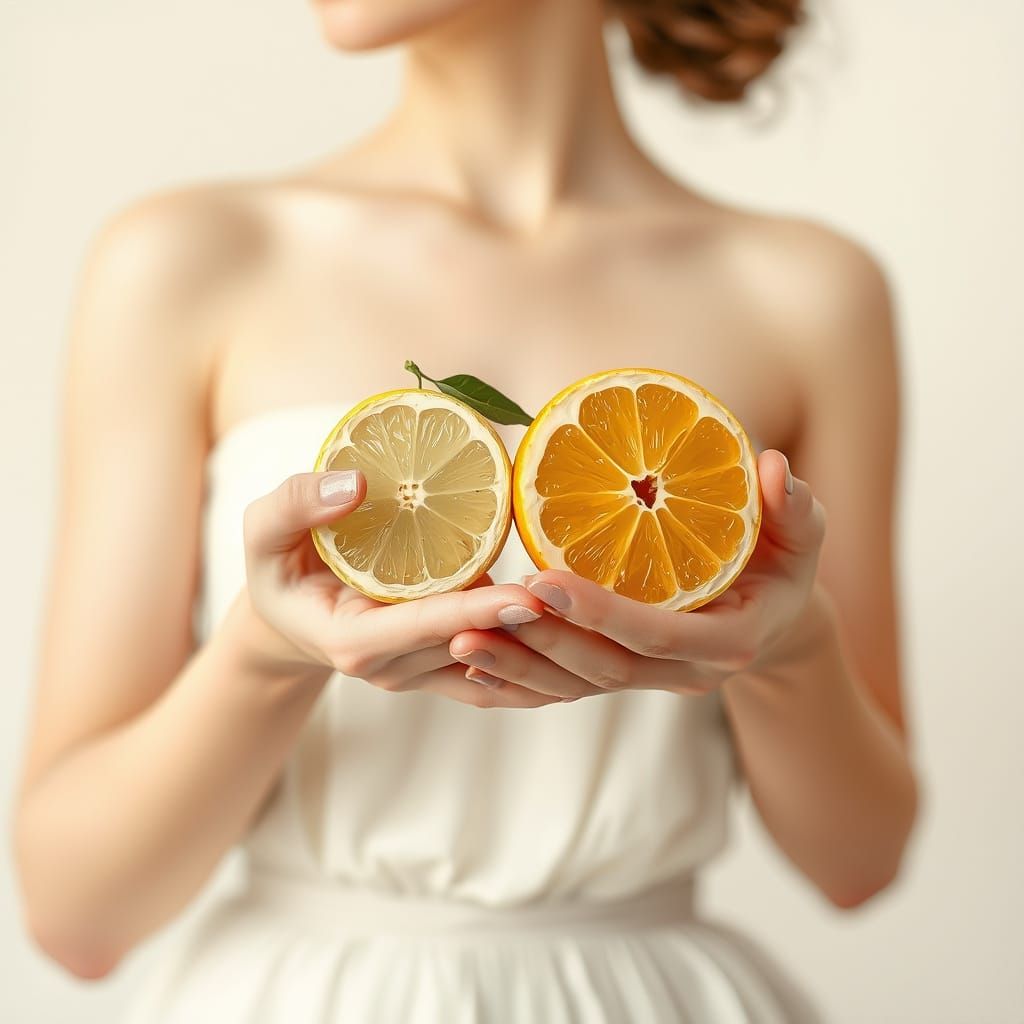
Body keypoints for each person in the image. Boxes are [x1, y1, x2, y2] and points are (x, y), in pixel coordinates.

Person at [12, 0, 919, 1020]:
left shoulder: (807, 292)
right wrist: (265, 654)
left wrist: (788, 647)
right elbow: (75, 912)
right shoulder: (186, 260)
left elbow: (861, 861)